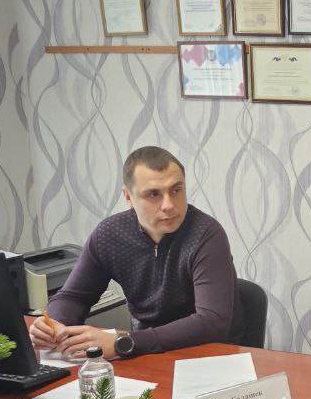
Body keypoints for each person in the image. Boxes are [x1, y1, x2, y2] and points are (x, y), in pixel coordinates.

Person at [30, 146, 239, 360]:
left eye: (176, 190)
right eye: (153, 194)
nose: (169, 205)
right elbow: (74, 296)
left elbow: (212, 322)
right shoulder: (110, 234)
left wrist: (124, 342)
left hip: (207, 353)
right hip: (144, 353)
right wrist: (54, 323)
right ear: (128, 197)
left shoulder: (206, 234)